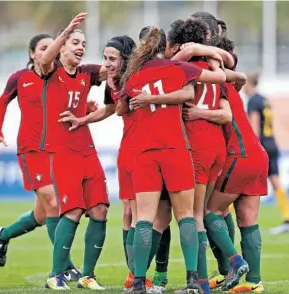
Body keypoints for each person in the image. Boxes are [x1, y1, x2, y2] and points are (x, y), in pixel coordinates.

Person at [121, 25, 227, 294]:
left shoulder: (132, 77)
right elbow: (217, 81)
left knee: (143, 218)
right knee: (186, 217)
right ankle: (192, 281)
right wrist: (213, 55)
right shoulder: (178, 69)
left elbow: (122, 107)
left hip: (144, 153)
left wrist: (143, 98)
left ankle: (138, 283)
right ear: (166, 47)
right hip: (176, 151)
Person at [0, 33, 81, 281]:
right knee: (54, 202)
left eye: (53, 46)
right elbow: (2, 101)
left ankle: (4, 234)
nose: (49, 51)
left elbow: (72, 102)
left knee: (42, 215)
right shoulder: (20, 78)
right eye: (44, 47)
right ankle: (66, 266)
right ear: (32, 53)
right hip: (31, 150)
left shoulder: (60, 76)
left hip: (56, 150)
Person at [162, 17, 234, 294]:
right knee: (206, 211)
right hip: (217, 146)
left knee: (194, 216)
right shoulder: (216, 65)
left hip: (197, 144)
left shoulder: (184, 67)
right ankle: (228, 263)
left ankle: (202, 281)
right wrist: (214, 54)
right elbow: (227, 68)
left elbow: (174, 63)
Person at [38, 13, 109, 290]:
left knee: (100, 209)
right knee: (73, 211)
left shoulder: (86, 73)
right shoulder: (50, 71)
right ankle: (55, 276)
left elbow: (114, 69)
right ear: (62, 46)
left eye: (83, 43)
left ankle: (88, 276)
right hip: (62, 153)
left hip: (87, 151)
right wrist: (67, 28)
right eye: (75, 42)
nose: (81, 47)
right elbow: (44, 60)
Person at [203, 34, 267, 293]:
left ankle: (234, 263)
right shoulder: (232, 85)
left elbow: (223, 115)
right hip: (258, 155)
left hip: (238, 156)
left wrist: (196, 113)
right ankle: (254, 283)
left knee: (207, 212)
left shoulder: (216, 86)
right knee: (248, 220)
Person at [245, 71, 289, 235]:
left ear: (249, 84)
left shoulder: (253, 101)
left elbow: (254, 126)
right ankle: (288, 219)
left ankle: (219, 221)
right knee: (276, 182)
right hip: (272, 144)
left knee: (241, 182)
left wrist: (252, 147)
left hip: (261, 146)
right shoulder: (265, 100)